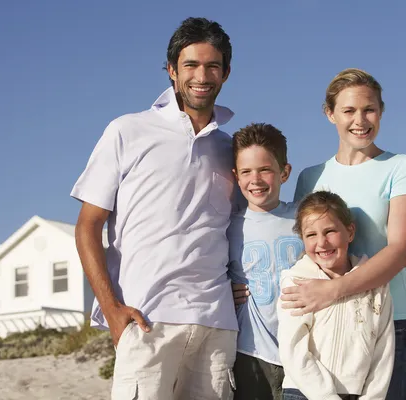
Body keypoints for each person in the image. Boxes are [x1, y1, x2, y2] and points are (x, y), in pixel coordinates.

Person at [71, 17, 238, 400]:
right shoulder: (127, 131)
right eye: (190, 65)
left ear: (226, 73)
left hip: (217, 324)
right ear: (171, 71)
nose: (202, 75)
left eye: (212, 66)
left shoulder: (232, 148)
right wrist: (111, 309)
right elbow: (87, 226)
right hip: (148, 320)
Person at [282, 68, 406, 400]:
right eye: (348, 110)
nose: (360, 120)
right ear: (330, 114)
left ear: (381, 111)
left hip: (385, 320)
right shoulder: (310, 177)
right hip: (323, 320)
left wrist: (335, 289)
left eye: (369, 109)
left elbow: (401, 251)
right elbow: (304, 246)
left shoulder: (403, 167)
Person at [277, 191, 394, 400]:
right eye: (311, 235)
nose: (321, 243)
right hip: (304, 392)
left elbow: (384, 350)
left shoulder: (376, 286)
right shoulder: (296, 281)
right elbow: (292, 348)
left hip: (356, 394)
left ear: (350, 232)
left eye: (330, 231)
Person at [227, 123, 304, 400]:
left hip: (304, 350)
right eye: (246, 172)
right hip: (251, 352)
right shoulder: (229, 226)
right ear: (236, 176)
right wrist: (226, 291)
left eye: (265, 170)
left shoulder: (305, 218)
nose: (255, 179)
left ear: (284, 172)